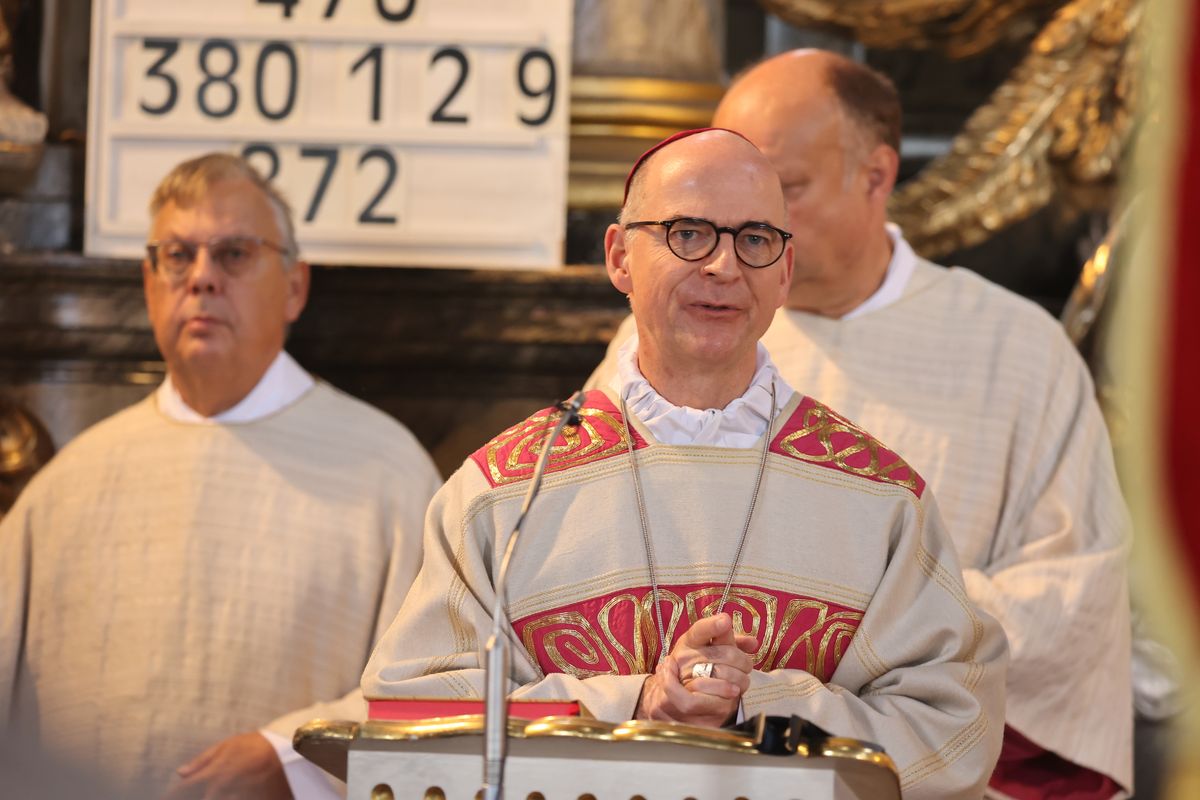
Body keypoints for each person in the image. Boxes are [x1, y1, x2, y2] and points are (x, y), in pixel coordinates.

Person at [363, 128, 1008, 799]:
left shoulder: (879, 498)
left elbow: (951, 732)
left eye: (754, 240)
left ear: (785, 271)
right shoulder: (508, 492)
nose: (724, 268)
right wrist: (636, 704)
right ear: (619, 257)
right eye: (689, 233)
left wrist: (754, 706)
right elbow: (409, 720)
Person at [589, 50, 1133, 798]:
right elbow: (587, 561)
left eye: (784, 187)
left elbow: (1071, 598)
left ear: (876, 176)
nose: (737, 222)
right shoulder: (668, 335)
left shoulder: (1013, 347)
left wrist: (822, 649)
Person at [0, 153, 441, 798]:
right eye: (177, 256)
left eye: (234, 254)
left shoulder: (387, 471)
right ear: (148, 283)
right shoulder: (67, 485)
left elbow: (434, 688)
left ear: (295, 288)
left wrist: (291, 758)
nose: (202, 278)